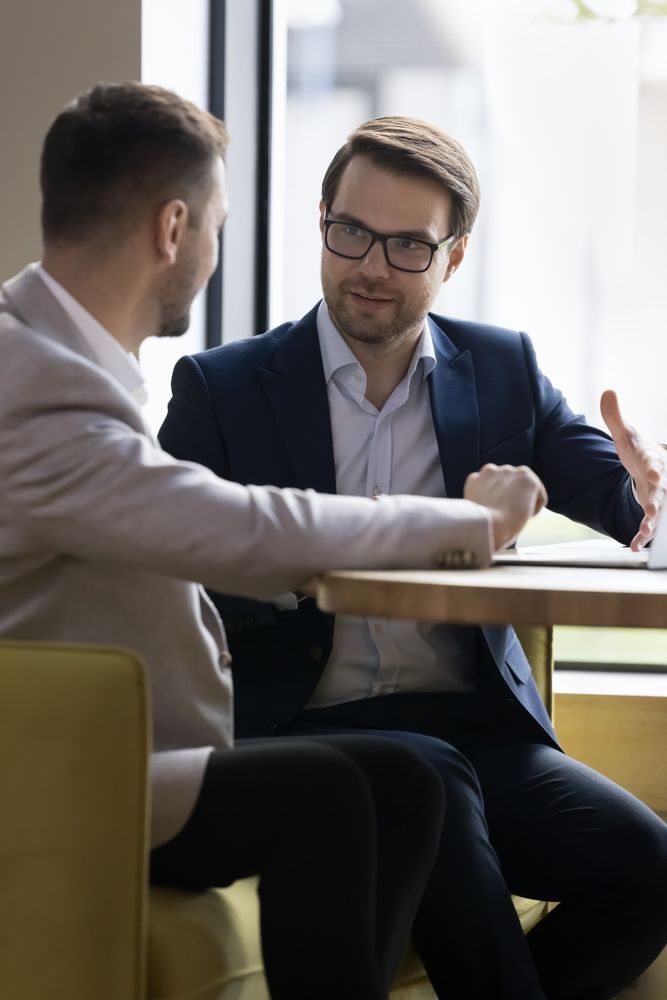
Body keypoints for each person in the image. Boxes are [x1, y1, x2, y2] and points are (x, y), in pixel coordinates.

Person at [0, 86, 552, 1000]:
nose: (217, 254)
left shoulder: (49, 356)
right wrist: (472, 523)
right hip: (63, 765)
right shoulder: (37, 385)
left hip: (111, 745)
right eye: (217, 226)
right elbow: (242, 526)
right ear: (173, 229)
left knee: (411, 779)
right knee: (333, 796)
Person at [159, 115, 667, 1000]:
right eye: (351, 232)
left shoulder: (502, 370)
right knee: (426, 792)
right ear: (321, 219)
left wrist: (653, 490)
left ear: (453, 257)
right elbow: (176, 575)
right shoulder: (223, 389)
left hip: (475, 728)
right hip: (301, 726)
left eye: (406, 246)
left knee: (647, 866)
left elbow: (630, 512)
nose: (369, 267)